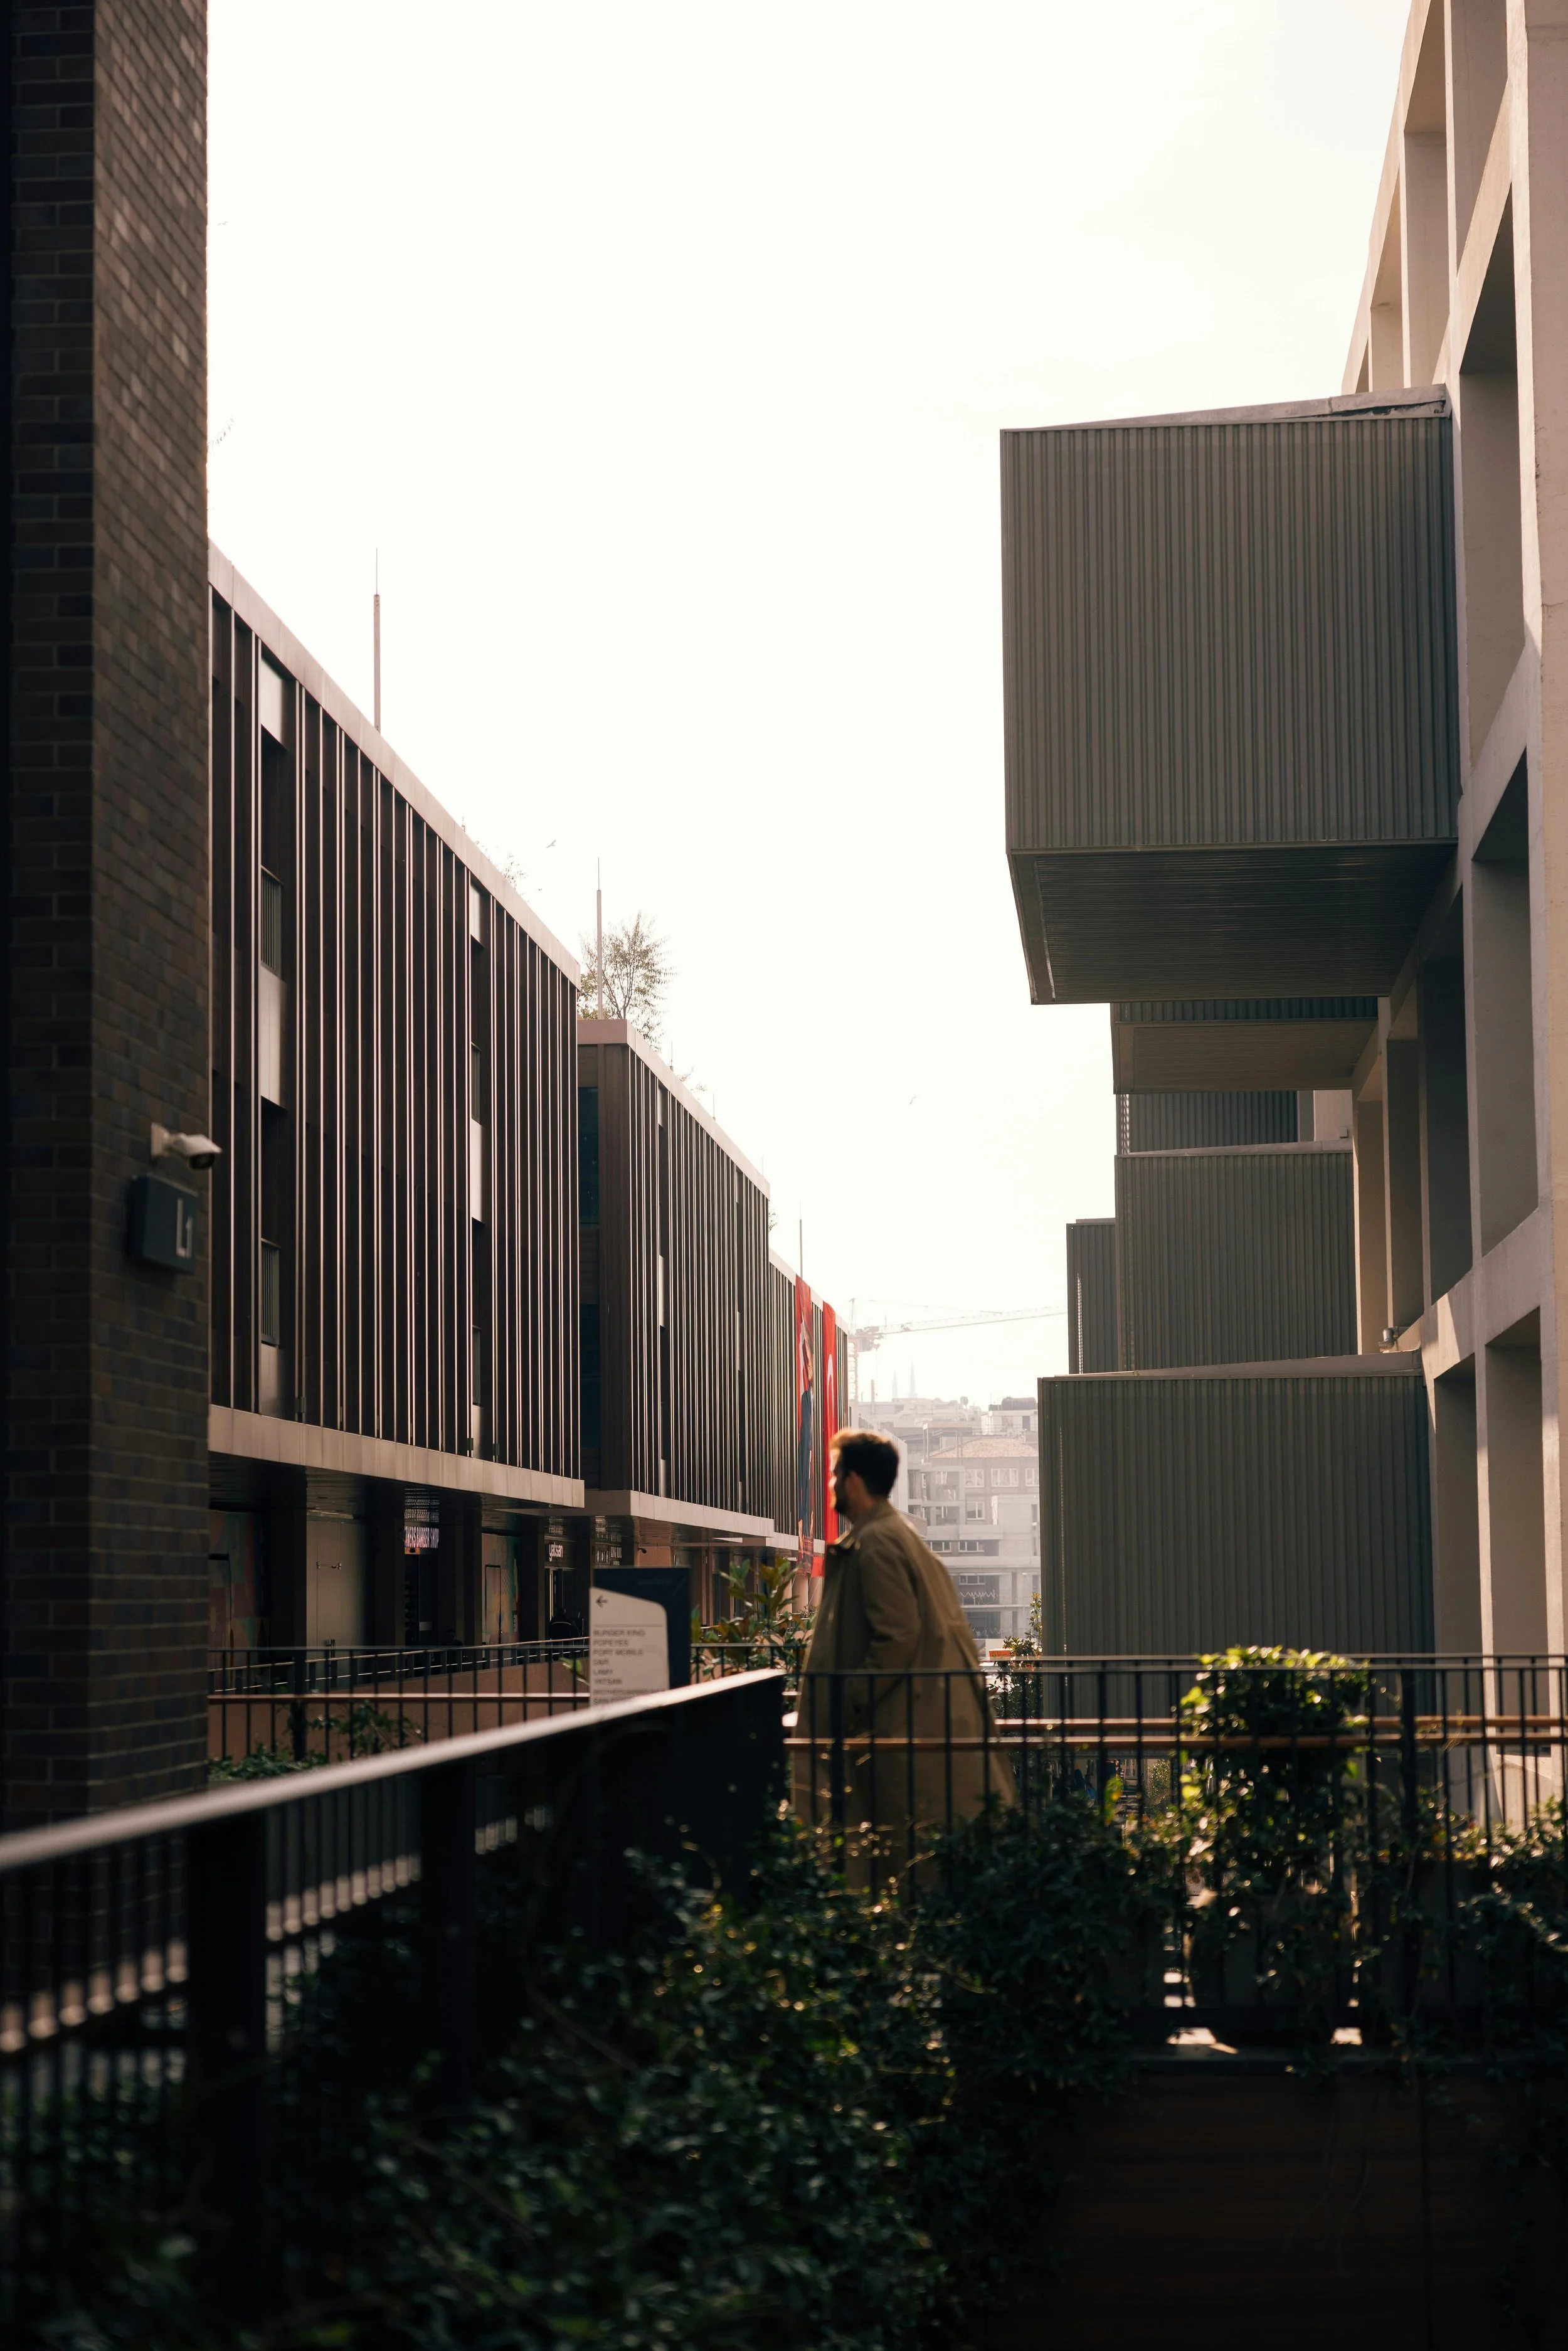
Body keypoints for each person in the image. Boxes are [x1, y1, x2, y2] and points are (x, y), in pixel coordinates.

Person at [795, 1428, 1014, 1878]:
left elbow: (895, 1638)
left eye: (836, 1475)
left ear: (853, 1481)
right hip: (907, 1731)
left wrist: (846, 1702)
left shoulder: (877, 1544)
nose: (831, 1485)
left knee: (891, 1868)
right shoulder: (897, 1537)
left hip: (894, 1739)